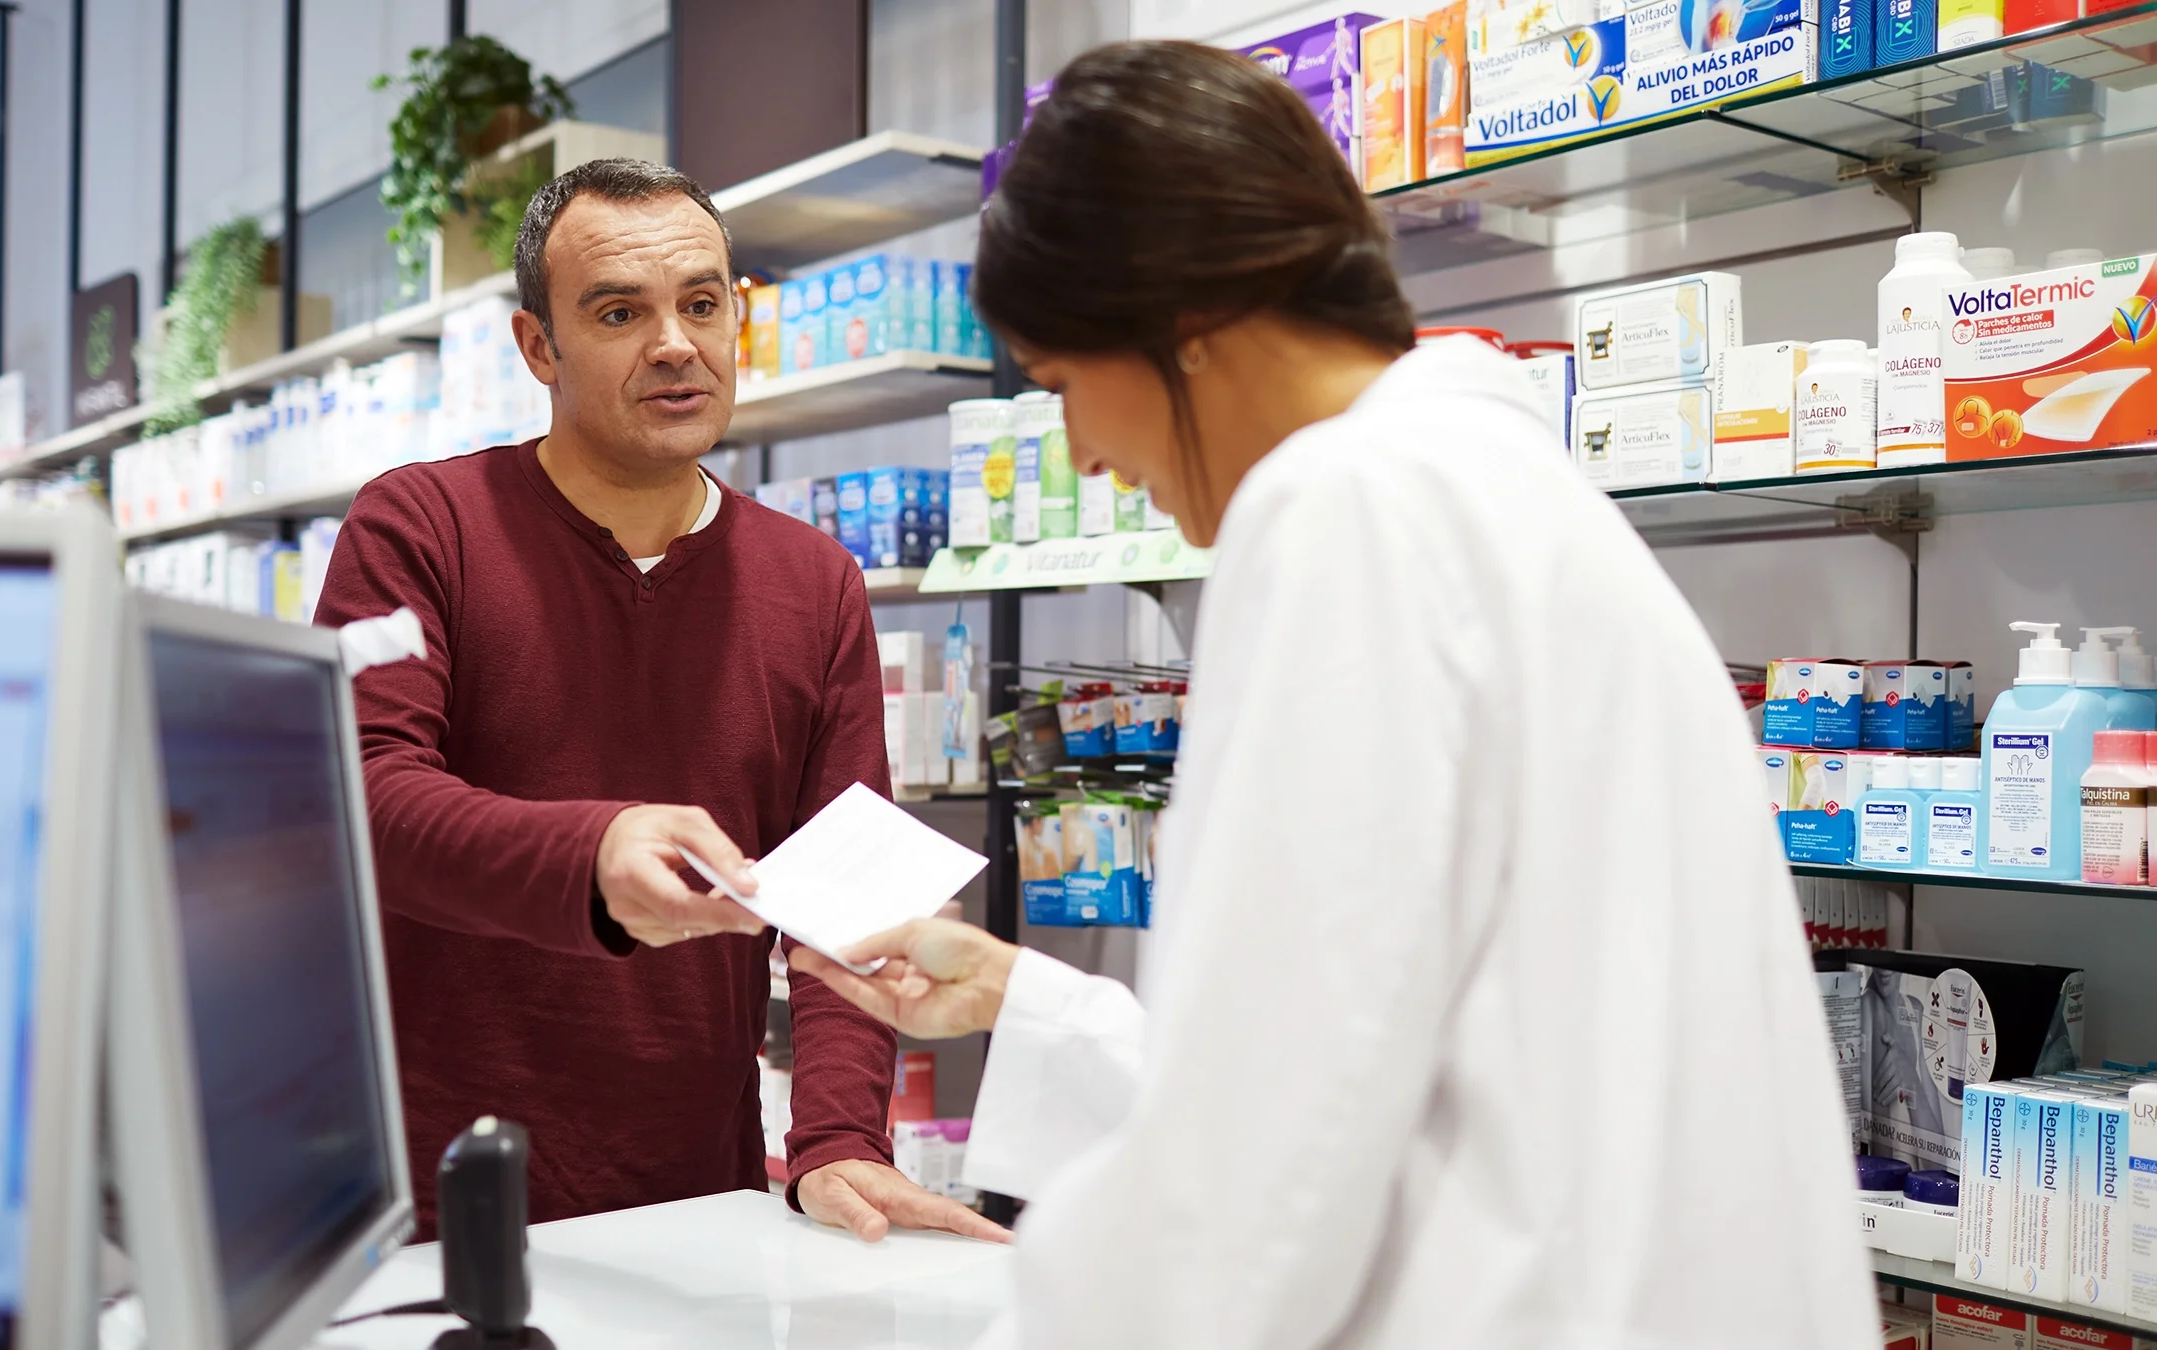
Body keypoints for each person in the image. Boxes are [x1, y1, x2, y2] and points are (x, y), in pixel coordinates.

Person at [788, 41, 1875, 1349]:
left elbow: (1252, 1191)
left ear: (1181, 318)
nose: (1078, 446)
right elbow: (1394, 1051)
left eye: (1068, 380)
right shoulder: (1500, 495)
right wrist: (1035, 998)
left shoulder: (1346, 509)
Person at [315, 158, 1001, 1246]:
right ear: (539, 346)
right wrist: (594, 853)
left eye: (701, 303)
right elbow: (362, 794)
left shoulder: (813, 581)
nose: (675, 344)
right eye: (620, 312)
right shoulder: (419, 528)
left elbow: (846, 893)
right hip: (442, 1194)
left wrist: (836, 1144)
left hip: (697, 1195)